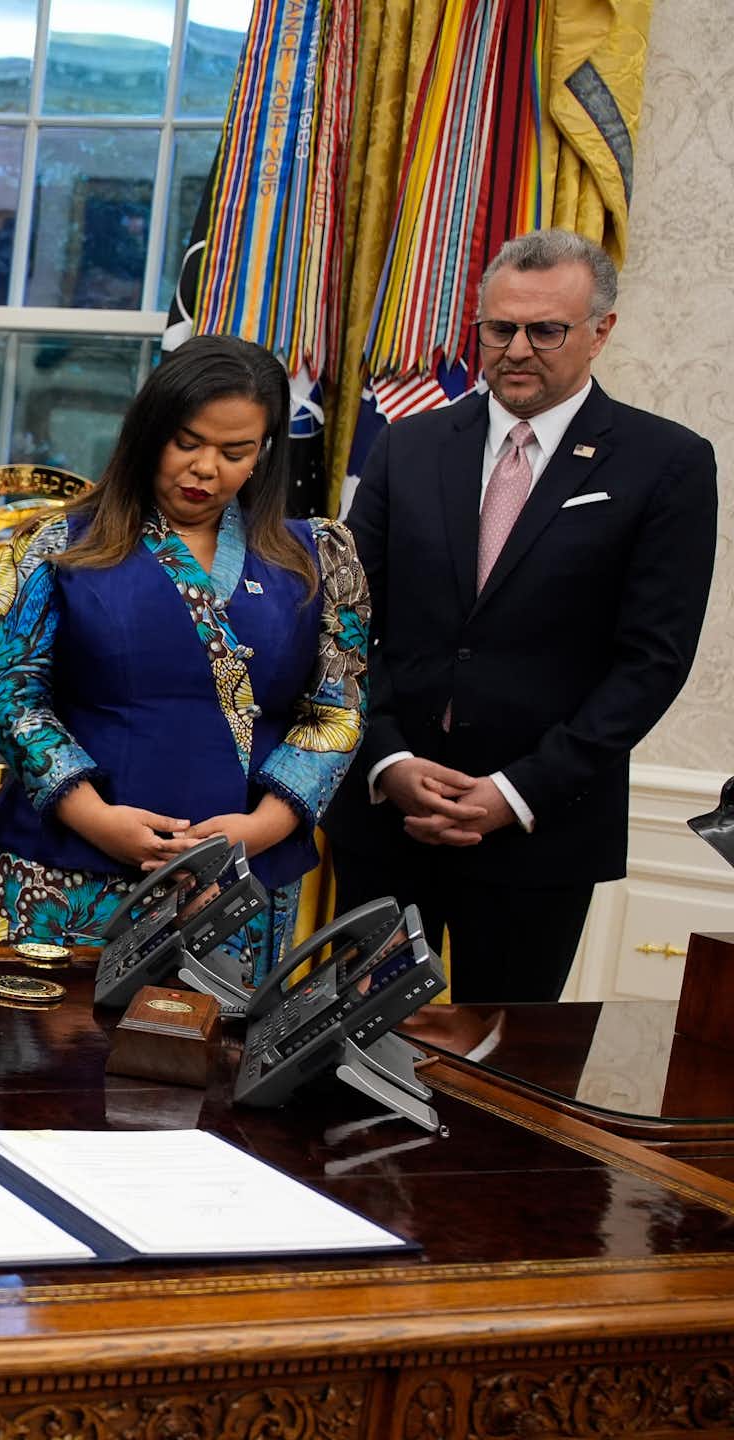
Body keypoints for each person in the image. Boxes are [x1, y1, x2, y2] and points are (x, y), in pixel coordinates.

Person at [330, 229, 718, 1003]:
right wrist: (388, 762)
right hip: (388, 822)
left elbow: (652, 662)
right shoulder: (409, 447)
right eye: (499, 329)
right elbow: (343, 624)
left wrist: (513, 791)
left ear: (600, 331)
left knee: (500, 1082)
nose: (516, 349)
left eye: (546, 330)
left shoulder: (665, 463)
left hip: (541, 832)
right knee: (344, 1063)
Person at [0, 335, 371, 979]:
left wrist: (259, 829)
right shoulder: (53, 544)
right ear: (147, 432)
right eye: (187, 442)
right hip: (63, 869)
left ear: (264, 453)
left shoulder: (320, 556)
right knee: (33, 1066)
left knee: (205, 1072)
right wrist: (97, 818)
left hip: (240, 884)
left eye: (234, 451)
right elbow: (12, 697)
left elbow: (337, 712)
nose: (206, 468)